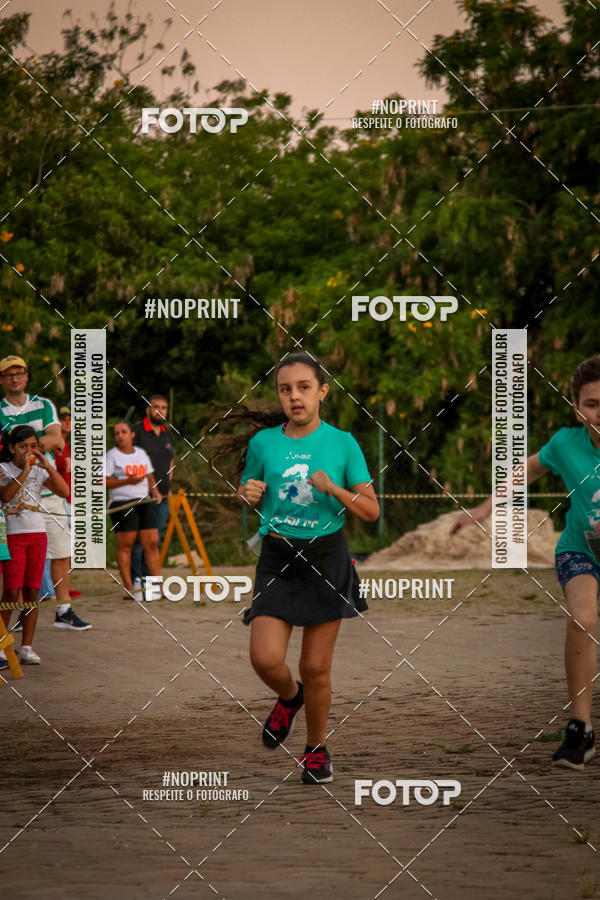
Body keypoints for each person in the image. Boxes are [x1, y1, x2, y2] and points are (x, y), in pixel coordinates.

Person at [212, 352, 379, 784]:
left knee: (316, 668)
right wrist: (245, 493)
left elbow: (371, 511)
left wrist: (333, 487)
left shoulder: (343, 443)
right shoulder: (264, 443)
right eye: (286, 389)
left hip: (326, 558)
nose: (294, 396)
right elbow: (251, 491)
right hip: (278, 557)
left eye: (304, 387)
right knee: (265, 658)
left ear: (322, 391)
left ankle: (316, 750)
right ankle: (289, 697)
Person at [452, 354, 600, 770]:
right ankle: (580, 729)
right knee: (583, 620)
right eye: (591, 404)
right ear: (577, 407)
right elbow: (526, 471)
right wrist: (483, 509)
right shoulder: (565, 444)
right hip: (580, 550)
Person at [0, 355, 90, 631]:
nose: (15, 378)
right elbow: (8, 449)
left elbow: (57, 438)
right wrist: (35, 446)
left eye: (19, 373)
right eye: (8, 374)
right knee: (15, 564)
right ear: (2, 380)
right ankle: (14, 622)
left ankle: (63, 610)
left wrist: (20, 445)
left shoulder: (44, 404)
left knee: (61, 552)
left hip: (44, 486)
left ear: (27, 376)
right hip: (12, 494)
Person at [0, 425, 69, 666]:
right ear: (11, 448)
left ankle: (27, 646)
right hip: (13, 535)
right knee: (11, 590)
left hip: (37, 534)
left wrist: (47, 465)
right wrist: (25, 471)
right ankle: (1, 643)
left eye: (33, 446)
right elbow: (6, 495)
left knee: (32, 590)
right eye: (23, 447)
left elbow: (64, 491)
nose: (29, 451)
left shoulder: (40, 471)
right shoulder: (4, 469)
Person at [105, 421, 162, 600]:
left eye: (123, 432)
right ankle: (130, 588)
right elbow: (103, 480)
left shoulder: (141, 453)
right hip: (122, 503)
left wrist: (155, 490)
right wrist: (127, 482)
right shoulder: (112, 456)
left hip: (143, 500)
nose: (120, 435)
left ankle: (157, 586)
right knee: (127, 545)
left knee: (152, 542)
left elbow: (149, 475)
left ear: (132, 435)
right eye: (116, 433)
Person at [131, 395, 173, 592]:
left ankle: (150, 582)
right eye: (156, 407)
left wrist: (169, 487)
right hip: (141, 494)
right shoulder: (137, 431)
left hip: (163, 496)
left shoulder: (167, 432)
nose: (160, 411)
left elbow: (170, 461)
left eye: (164, 408)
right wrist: (149, 486)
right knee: (139, 540)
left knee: (155, 539)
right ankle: (135, 582)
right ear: (148, 410)